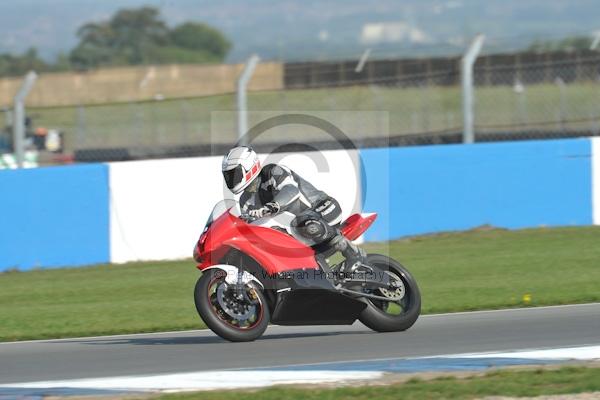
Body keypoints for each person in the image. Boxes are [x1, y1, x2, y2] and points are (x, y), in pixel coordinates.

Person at [221, 146, 365, 266]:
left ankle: (352, 252)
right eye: (228, 176)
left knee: (303, 223)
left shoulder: (272, 172)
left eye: (234, 174)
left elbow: (291, 190)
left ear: (248, 168)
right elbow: (253, 227)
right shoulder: (245, 200)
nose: (231, 179)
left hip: (323, 207)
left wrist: (272, 206)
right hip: (295, 229)